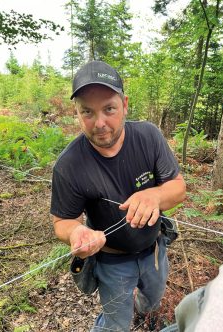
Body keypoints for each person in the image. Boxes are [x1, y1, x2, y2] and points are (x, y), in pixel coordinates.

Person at [50, 60, 186, 331]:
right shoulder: (69, 165)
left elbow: (178, 188)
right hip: (112, 262)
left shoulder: (148, 136)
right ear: (76, 113)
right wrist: (76, 233)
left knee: (152, 300)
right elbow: (62, 222)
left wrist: (155, 196)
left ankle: (145, 313)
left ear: (124, 104)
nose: (99, 123)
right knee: (116, 324)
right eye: (87, 112)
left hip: (154, 252)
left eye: (109, 109)